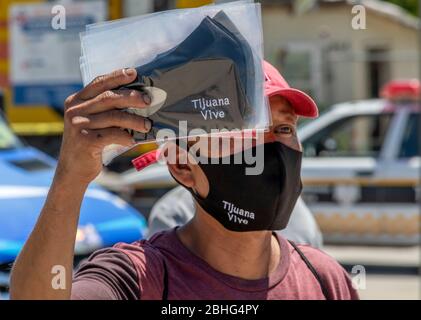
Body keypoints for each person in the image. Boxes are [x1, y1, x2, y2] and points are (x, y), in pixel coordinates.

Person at [10, 62, 359, 300]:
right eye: (247, 133)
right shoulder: (139, 278)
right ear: (182, 166)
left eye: (284, 129)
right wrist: (70, 178)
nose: (272, 150)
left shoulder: (324, 279)